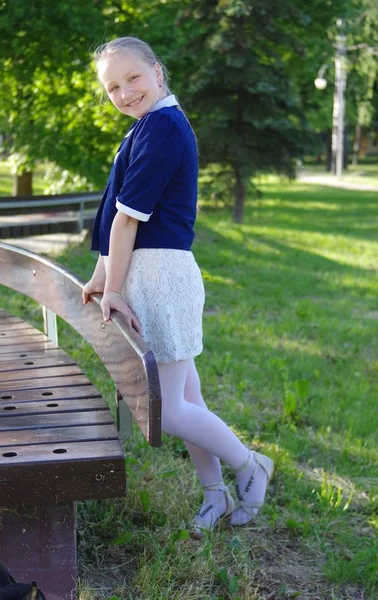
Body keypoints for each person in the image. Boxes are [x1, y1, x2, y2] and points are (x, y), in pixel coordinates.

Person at [82, 36, 274, 537]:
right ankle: (214, 494)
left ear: (158, 72)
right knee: (188, 401)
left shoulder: (165, 127)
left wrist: (116, 287)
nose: (124, 92)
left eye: (133, 78)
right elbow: (111, 225)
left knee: (163, 411)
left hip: (160, 276)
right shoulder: (146, 127)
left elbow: (128, 221)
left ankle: (249, 464)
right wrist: (101, 278)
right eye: (113, 87)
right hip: (145, 271)